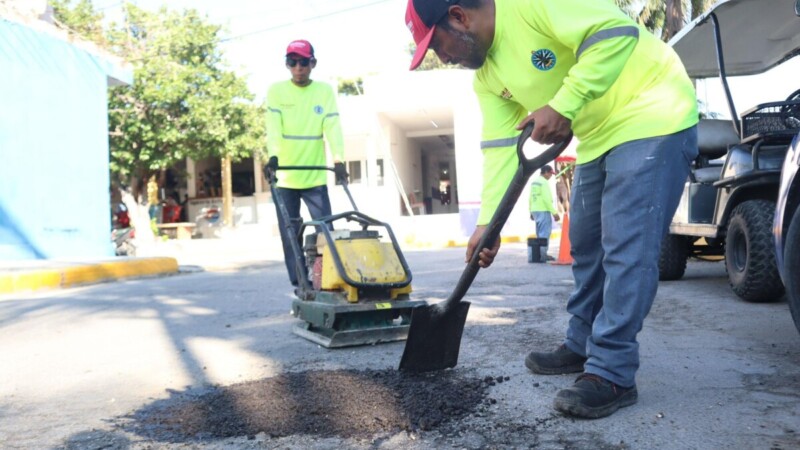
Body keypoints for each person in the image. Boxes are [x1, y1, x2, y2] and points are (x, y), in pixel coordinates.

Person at [405, 0, 698, 419]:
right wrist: (489, 223)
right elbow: (501, 149)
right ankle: (581, 345)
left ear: (458, 16)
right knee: (587, 246)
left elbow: (616, 34)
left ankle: (612, 372)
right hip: (598, 135)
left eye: (438, 47)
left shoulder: (532, 4)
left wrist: (564, 103)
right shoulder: (487, 77)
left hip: (652, 109)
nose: (443, 58)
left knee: (626, 249)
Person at [265, 39, 348, 287]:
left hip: (315, 176)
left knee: (325, 231)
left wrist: (339, 160)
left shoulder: (324, 91)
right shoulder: (276, 91)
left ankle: (329, 279)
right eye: (293, 62)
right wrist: (273, 158)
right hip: (285, 177)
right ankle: (301, 283)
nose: (298, 67)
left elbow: (332, 127)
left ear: (312, 63)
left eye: (303, 62)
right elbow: (273, 129)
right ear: (287, 65)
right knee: (291, 233)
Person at [529, 164, 559, 261]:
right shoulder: (544, 183)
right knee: (544, 234)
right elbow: (546, 199)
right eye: (550, 173)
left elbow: (530, 198)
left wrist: (530, 211)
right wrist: (554, 212)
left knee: (539, 234)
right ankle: (542, 256)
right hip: (543, 210)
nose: (550, 176)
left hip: (535, 210)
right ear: (545, 172)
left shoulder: (534, 182)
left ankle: (538, 255)